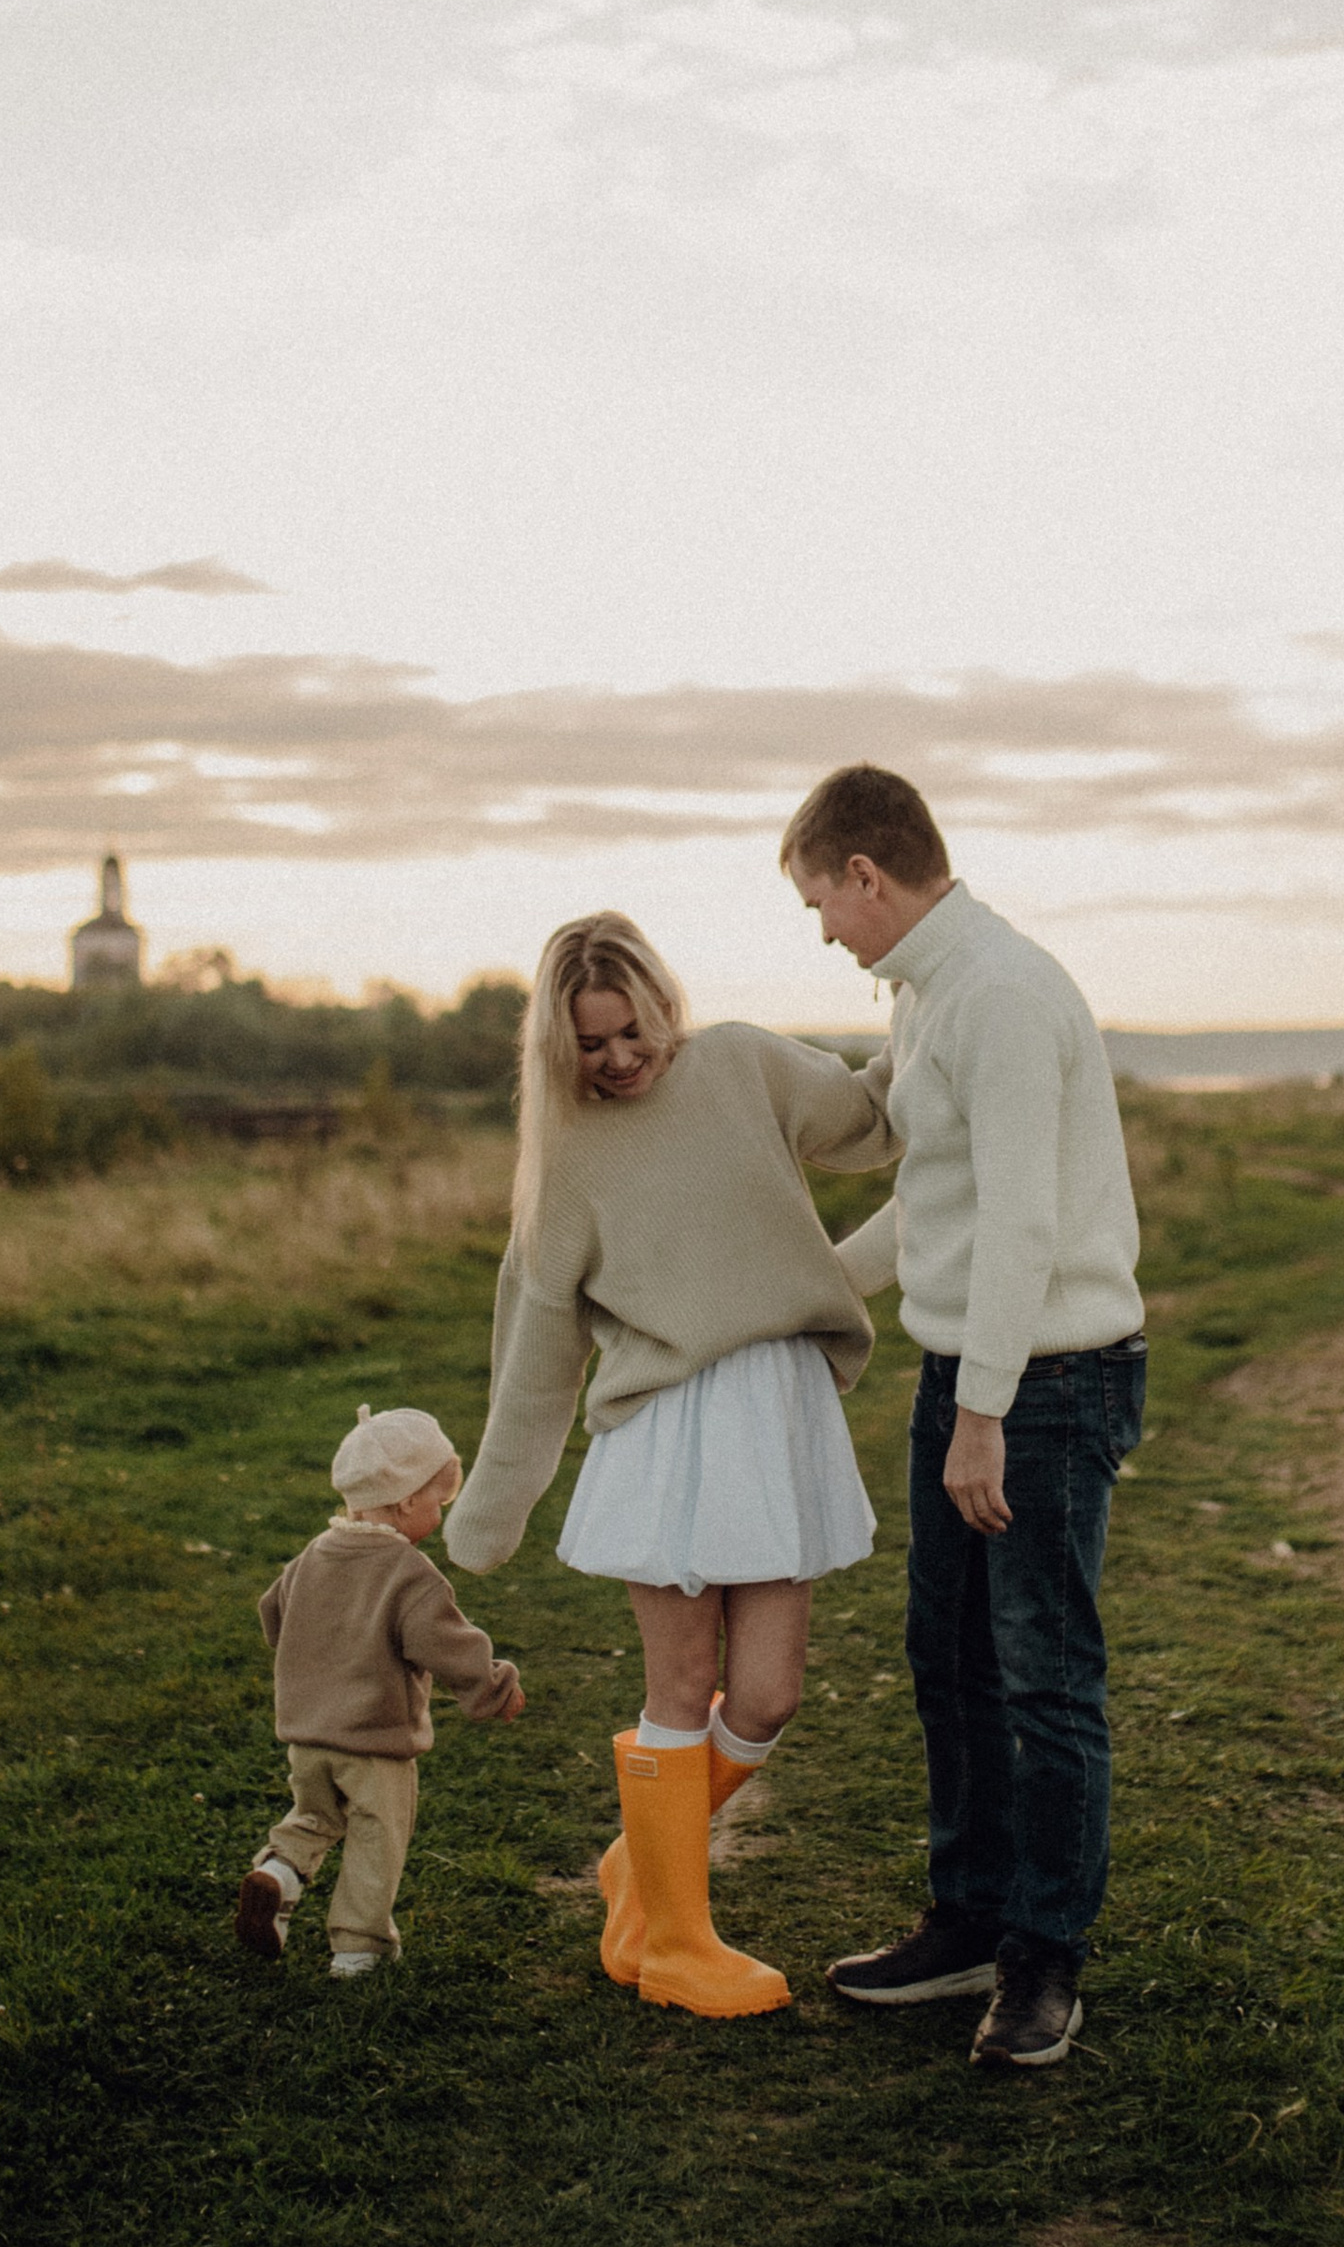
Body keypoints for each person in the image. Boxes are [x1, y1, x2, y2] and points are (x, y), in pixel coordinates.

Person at [443, 911, 899, 2019]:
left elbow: (873, 1119)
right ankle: (677, 1944)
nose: (618, 1058)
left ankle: (641, 1861)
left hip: (777, 1406)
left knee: (769, 1694)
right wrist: (490, 1509)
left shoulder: (743, 1064)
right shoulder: (567, 1158)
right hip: (666, 1427)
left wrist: (937, 1006)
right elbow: (538, 1351)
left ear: (662, 1002)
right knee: (679, 1688)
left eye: (630, 1029)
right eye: (589, 1044)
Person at [782, 764, 1146, 2070]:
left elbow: (1023, 1222)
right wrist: (802, 1292)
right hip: (971, 1371)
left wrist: (981, 1411)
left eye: (821, 903)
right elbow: (934, 1198)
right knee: (947, 1657)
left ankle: (1044, 1958)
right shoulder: (926, 988)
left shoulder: (1000, 991)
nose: (824, 930)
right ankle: (971, 1920)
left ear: (866, 874)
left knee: (1043, 1674)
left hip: (1048, 1379)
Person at [234, 1402, 526, 1975]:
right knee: (377, 1838)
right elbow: (448, 1645)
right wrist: (494, 1688)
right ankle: (358, 1948)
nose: (438, 1515)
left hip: (308, 1737)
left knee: (314, 1816)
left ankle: (278, 1873)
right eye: (438, 1503)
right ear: (407, 1500)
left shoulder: (313, 1555)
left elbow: (273, 1615)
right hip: (376, 1743)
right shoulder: (409, 1574)